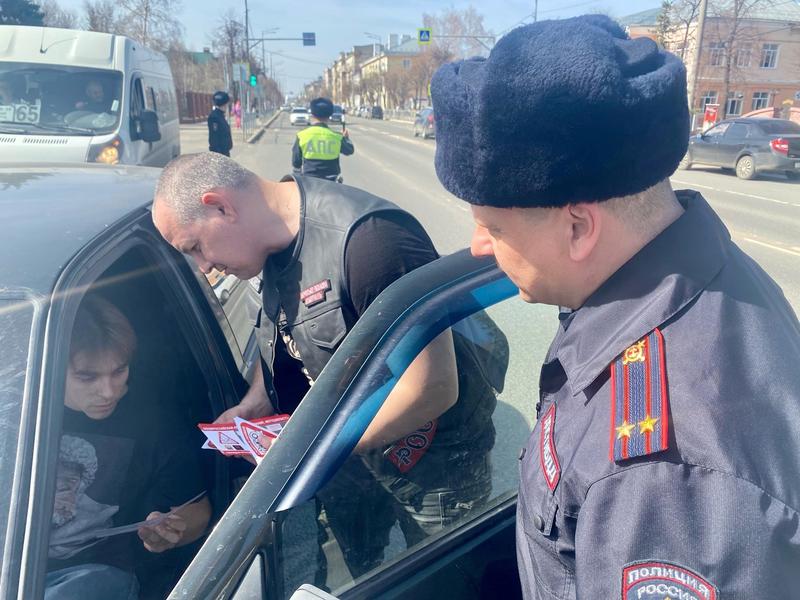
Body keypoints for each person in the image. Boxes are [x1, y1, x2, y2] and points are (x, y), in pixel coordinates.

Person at [429, 14, 800, 599]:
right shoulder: (701, 273)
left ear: (579, 227)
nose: (479, 247)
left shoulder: (660, 477)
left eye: (493, 228)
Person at [151, 152, 506, 582]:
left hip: (433, 464)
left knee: (444, 580)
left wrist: (313, 448)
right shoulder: (264, 249)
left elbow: (432, 388)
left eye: (195, 247)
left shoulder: (370, 241)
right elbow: (281, 333)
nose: (205, 267)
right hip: (348, 459)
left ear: (220, 206)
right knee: (365, 575)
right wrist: (254, 404)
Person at [46, 295, 212, 600]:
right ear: (51, 368)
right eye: (87, 377)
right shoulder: (21, 414)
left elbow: (198, 514)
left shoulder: (153, 421)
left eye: (119, 371)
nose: (108, 392)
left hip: (104, 571)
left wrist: (169, 533)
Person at [292, 97, 354, 181]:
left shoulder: (302, 136)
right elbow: (350, 150)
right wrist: (346, 138)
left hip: (309, 181)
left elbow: (296, 162)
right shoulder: (337, 137)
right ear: (330, 114)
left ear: (312, 114)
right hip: (332, 182)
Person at [207, 91, 233, 157]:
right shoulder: (214, 117)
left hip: (225, 152)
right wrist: (218, 156)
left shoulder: (220, 115)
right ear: (224, 104)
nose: (227, 106)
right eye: (227, 103)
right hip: (220, 154)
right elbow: (214, 138)